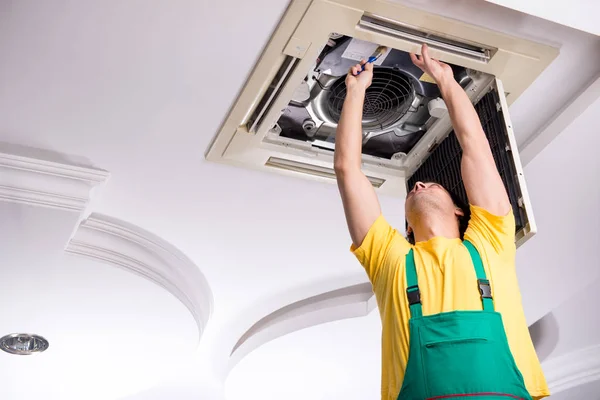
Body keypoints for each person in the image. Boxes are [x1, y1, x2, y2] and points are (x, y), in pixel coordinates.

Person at [333, 44, 550, 400]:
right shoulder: (390, 259)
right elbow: (347, 170)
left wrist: (447, 81)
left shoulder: (490, 241)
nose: (418, 184)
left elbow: (474, 147)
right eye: (416, 187)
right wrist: (356, 93)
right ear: (406, 228)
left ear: (460, 211)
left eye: (429, 184)